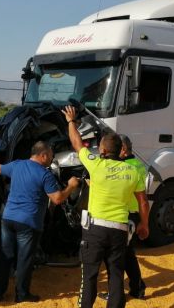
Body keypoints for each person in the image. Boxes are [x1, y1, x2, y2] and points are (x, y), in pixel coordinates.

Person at [62, 105, 149, 308]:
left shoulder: (96, 164)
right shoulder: (133, 171)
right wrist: (144, 224)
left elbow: (76, 143)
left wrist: (70, 121)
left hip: (95, 230)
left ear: (102, 149)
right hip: (119, 229)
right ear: (121, 150)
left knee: (90, 276)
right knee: (116, 275)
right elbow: (143, 201)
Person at [0, 141, 80, 303]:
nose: (51, 158)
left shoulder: (17, 165)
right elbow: (57, 199)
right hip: (28, 223)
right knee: (24, 260)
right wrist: (70, 186)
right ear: (43, 155)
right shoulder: (45, 174)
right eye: (50, 155)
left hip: (8, 219)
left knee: (5, 256)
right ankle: (21, 295)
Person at [98, 134, 148, 301]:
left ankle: (120, 292)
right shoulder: (139, 165)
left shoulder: (125, 167)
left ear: (123, 150)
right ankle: (136, 287)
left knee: (116, 256)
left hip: (124, 215)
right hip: (134, 215)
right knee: (127, 253)